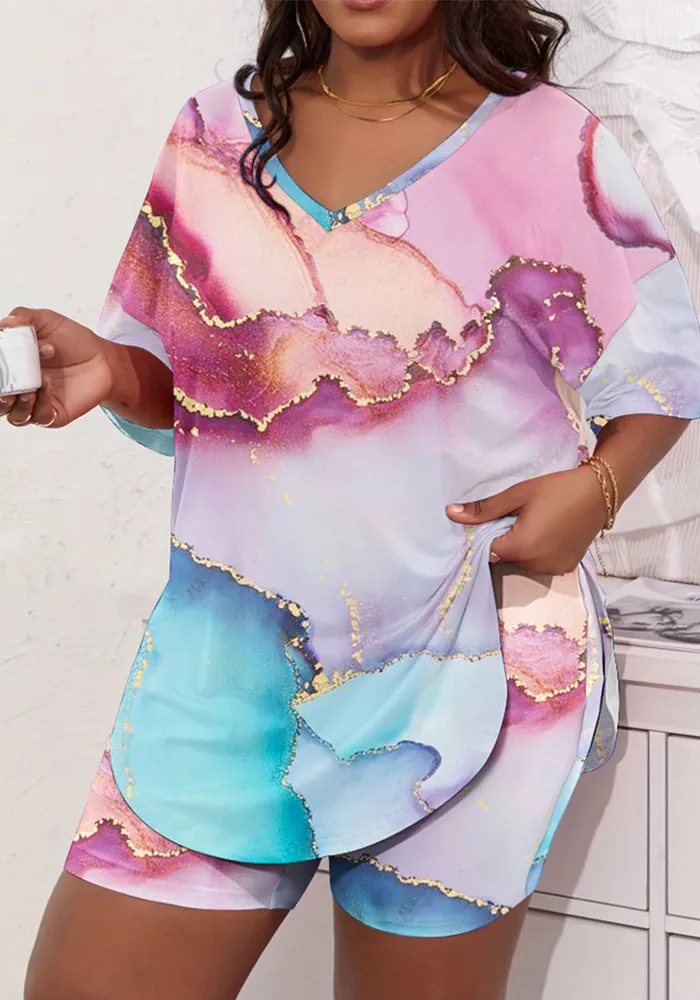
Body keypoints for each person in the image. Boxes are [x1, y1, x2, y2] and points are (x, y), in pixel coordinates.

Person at [5, 1, 700, 998]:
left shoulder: (552, 143)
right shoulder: (214, 132)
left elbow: (665, 369)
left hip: (473, 675)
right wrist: (113, 371)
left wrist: (595, 491)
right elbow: (197, 387)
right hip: (231, 677)